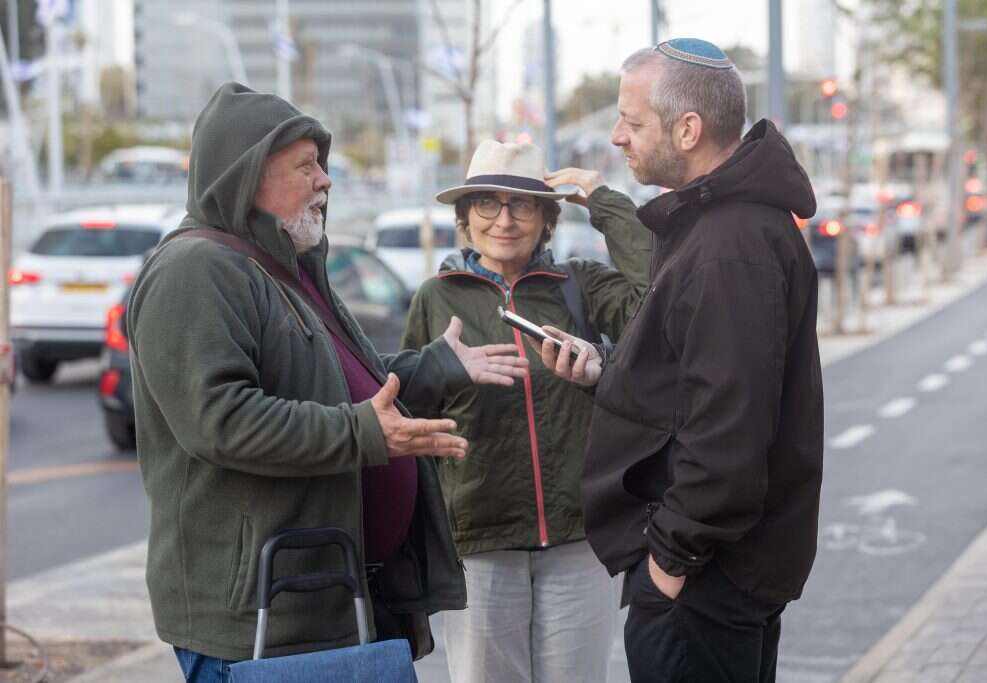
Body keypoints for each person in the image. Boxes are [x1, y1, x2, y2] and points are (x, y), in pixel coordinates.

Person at [125, 83, 528, 682]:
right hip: (263, 616)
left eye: (321, 164)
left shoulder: (286, 265)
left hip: (331, 594)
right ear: (248, 176)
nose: (326, 180)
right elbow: (223, 421)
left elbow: (341, 389)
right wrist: (366, 433)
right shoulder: (194, 270)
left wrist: (437, 368)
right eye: (306, 166)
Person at [530, 39, 823, 682]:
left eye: (632, 122)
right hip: (712, 572)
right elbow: (699, 386)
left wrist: (668, 563)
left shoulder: (729, 244)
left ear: (687, 129)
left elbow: (730, 428)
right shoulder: (714, 226)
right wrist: (609, 377)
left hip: (704, 578)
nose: (615, 137)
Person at [399, 139, 650, 682]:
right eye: (487, 203)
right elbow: (408, 411)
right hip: (481, 544)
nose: (504, 220)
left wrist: (605, 200)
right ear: (466, 215)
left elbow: (661, 296)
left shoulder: (578, 286)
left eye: (523, 205)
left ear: (546, 217)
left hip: (580, 540)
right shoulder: (436, 298)